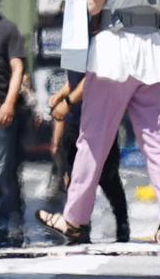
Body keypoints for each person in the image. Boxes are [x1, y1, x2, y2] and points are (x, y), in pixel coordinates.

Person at [37, 0, 160, 245]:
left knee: (94, 138)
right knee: (159, 139)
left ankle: (74, 218)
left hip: (114, 52)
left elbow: (94, 5)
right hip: (153, 50)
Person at [49, 74, 129, 243]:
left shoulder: (97, 49)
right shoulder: (73, 51)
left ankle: (122, 226)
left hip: (99, 121)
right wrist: (62, 94)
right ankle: (80, 226)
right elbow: (74, 80)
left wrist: (67, 101)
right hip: (74, 122)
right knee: (73, 180)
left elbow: (93, 78)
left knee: (109, 179)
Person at [0, 0, 26, 248]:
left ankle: (2, 224)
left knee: (2, 171)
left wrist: (9, 103)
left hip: (0, 112)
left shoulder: (7, 28)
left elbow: (18, 68)